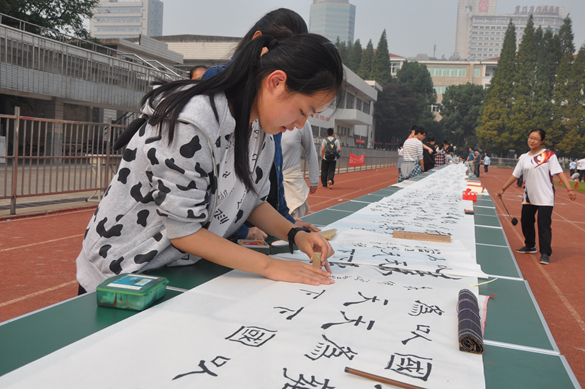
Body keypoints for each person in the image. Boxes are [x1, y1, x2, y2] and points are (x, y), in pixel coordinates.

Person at [75, 32, 344, 293]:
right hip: (119, 275)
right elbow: (184, 231)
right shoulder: (192, 122)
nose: (300, 124)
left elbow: (252, 203)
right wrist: (271, 266)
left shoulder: (262, 131)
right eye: (302, 111)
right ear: (275, 82)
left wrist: (296, 235)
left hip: (171, 273)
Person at [202, 8, 319, 241]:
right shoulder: (213, 97)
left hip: (229, 232)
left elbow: (269, 175)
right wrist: (244, 231)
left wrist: (288, 225)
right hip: (203, 239)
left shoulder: (270, 114)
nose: (298, 124)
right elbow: (190, 217)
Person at [497, 129, 576, 265]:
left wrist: (569, 188)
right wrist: (503, 188)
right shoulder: (523, 157)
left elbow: (559, 173)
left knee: (543, 225)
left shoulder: (549, 155)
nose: (532, 141)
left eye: (535, 139)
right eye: (530, 138)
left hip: (545, 196)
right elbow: (515, 175)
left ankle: (545, 253)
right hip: (529, 196)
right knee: (526, 221)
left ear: (542, 141)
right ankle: (530, 245)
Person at [281, 121, 319, 217]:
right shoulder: (270, 120)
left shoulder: (302, 122)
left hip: (293, 182)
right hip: (271, 182)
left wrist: (314, 179)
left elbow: (310, 150)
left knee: (294, 221)